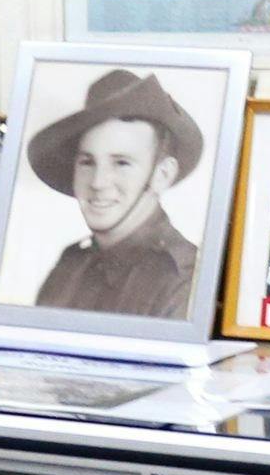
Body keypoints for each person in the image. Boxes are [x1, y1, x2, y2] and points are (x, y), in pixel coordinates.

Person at [25, 69, 204, 320]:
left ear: (162, 175)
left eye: (121, 163)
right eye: (87, 162)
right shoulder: (69, 266)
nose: (98, 182)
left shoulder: (185, 278)